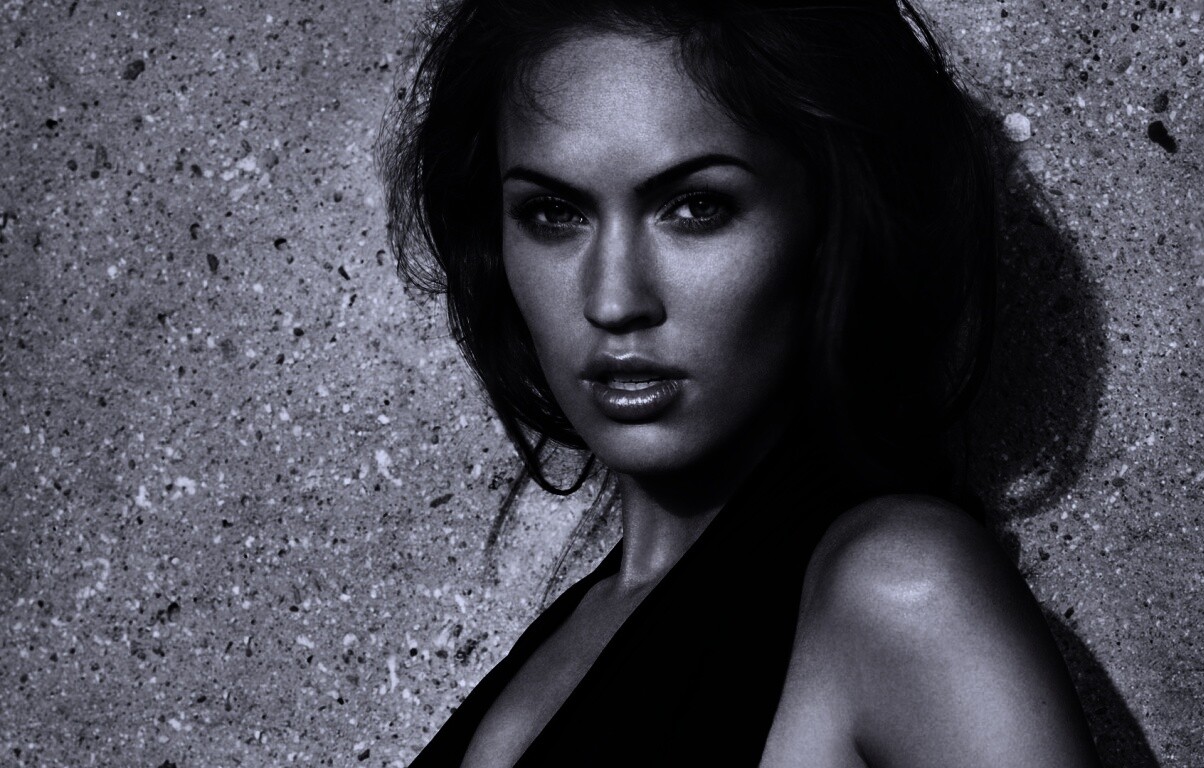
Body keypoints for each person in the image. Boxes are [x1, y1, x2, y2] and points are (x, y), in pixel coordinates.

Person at [381, 0, 1101, 765]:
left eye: (696, 207)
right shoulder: (585, 621)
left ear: (831, 222)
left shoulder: (901, 590)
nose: (614, 300)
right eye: (553, 213)